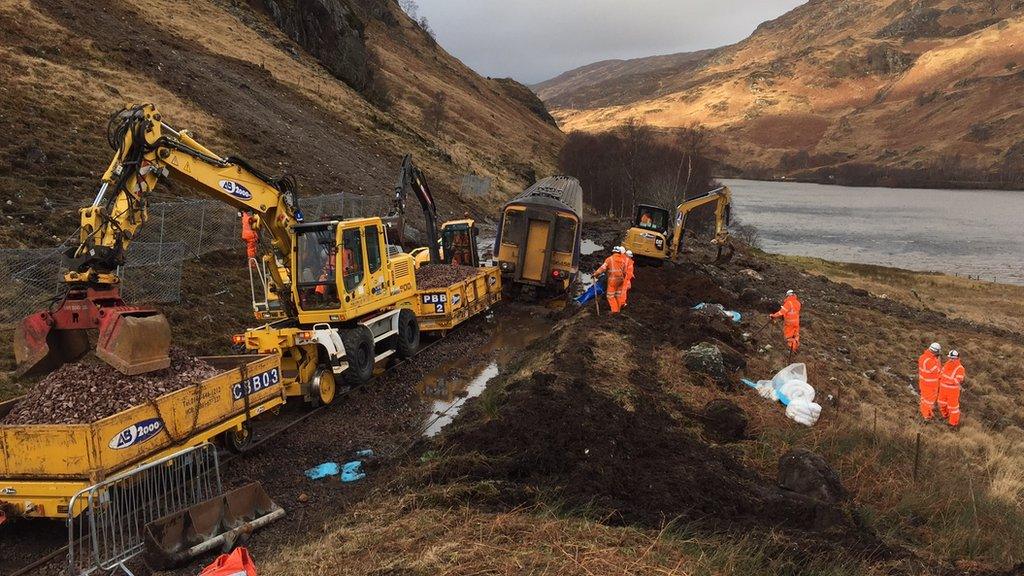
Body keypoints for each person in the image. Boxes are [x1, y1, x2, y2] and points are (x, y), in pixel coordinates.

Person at [594, 246, 630, 314]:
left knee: (610, 296)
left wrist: (596, 274)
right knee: (618, 295)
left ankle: (614, 310)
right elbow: (625, 271)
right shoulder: (623, 260)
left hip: (613, 280)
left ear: (613, 252)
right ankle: (618, 310)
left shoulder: (609, 259)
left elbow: (602, 268)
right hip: (621, 280)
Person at [937, 350, 966, 428]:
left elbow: (957, 380)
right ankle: (945, 416)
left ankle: (953, 424)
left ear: (957, 358)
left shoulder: (960, 368)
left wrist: (945, 379)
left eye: (953, 358)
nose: (951, 359)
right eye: (950, 358)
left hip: (952, 392)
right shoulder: (947, 364)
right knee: (941, 403)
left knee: (953, 408)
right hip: (943, 390)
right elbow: (941, 373)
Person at [770, 289, 802, 354]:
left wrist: (773, 315)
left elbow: (781, 312)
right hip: (796, 322)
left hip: (789, 323)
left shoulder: (788, 303)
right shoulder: (798, 303)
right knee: (795, 335)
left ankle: (791, 350)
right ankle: (795, 347)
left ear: (787, 296)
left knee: (789, 336)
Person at [917, 342, 942, 420]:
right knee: (929, 401)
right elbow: (938, 370)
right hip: (930, 385)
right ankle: (926, 416)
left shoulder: (922, 357)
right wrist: (938, 360)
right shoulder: (931, 361)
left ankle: (924, 411)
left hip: (923, 382)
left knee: (924, 398)